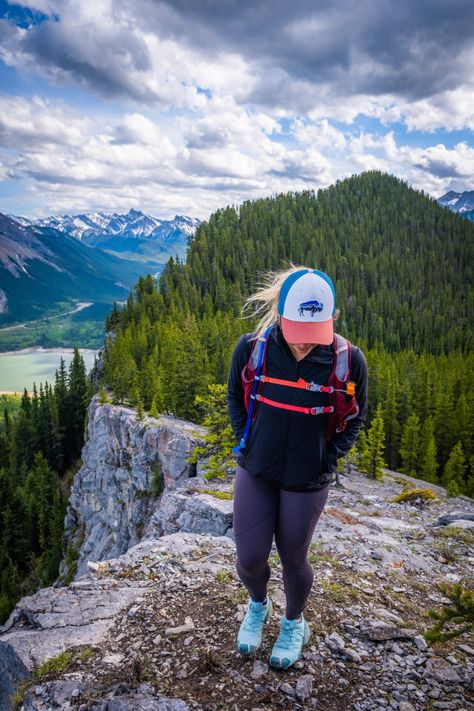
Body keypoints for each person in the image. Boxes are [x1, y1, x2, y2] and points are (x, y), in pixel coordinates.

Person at [227, 265, 368, 670]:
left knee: (293, 557)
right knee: (250, 558)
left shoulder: (347, 360)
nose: (305, 346)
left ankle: (294, 623)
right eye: (297, 334)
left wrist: (330, 455)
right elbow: (236, 397)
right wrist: (247, 439)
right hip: (257, 469)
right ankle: (258, 606)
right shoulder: (252, 349)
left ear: (331, 320)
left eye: (313, 336)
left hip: (307, 479)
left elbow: (357, 415)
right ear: (280, 316)